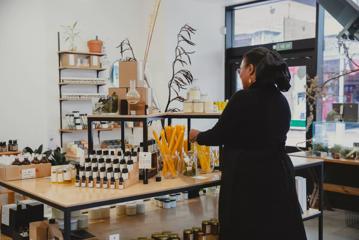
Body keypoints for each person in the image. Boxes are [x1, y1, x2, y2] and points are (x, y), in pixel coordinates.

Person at [189, 47, 307, 240]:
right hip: (278, 174)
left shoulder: (242, 98)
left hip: (248, 177)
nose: (240, 74)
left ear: (251, 70)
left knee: (247, 229)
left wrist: (197, 135)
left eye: (241, 69)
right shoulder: (281, 100)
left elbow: (219, 135)